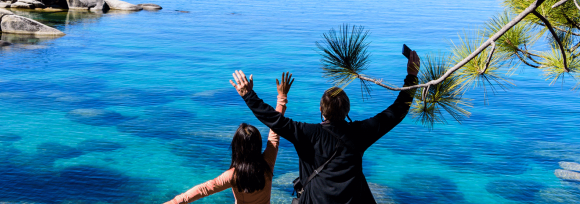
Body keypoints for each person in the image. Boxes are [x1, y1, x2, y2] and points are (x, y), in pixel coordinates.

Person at [231, 48, 420, 204]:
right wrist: (412, 76)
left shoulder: (307, 133)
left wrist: (249, 95)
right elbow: (395, 112)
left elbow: (274, 120)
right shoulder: (360, 133)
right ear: (347, 111)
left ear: (321, 109)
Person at [164, 72, 295, 204]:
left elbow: (203, 189)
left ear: (237, 148)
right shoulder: (267, 163)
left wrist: (174, 202)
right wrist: (282, 97)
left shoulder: (234, 175)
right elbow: (275, 132)